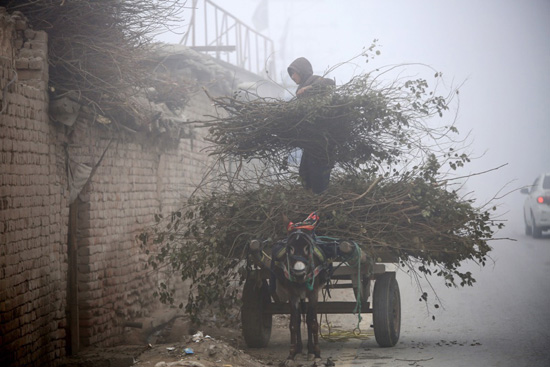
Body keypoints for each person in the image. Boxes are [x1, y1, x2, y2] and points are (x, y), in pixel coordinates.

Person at [287, 57, 336, 194]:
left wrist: (310, 87)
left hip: (322, 141)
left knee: (318, 176)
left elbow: (330, 84)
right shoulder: (300, 88)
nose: (292, 76)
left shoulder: (314, 80)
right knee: (304, 174)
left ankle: (319, 204)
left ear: (301, 71)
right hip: (311, 142)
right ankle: (311, 200)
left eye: (293, 73)